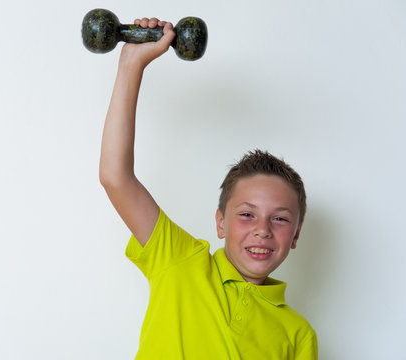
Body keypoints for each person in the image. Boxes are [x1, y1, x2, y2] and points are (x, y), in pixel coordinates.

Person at [99, 16, 318, 360]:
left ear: (296, 235)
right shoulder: (179, 260)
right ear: (220, 222)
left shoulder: (299, 334)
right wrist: (131, 64)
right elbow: (115, 176)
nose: (262, 230)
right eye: (247, 214)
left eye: (279, 219)